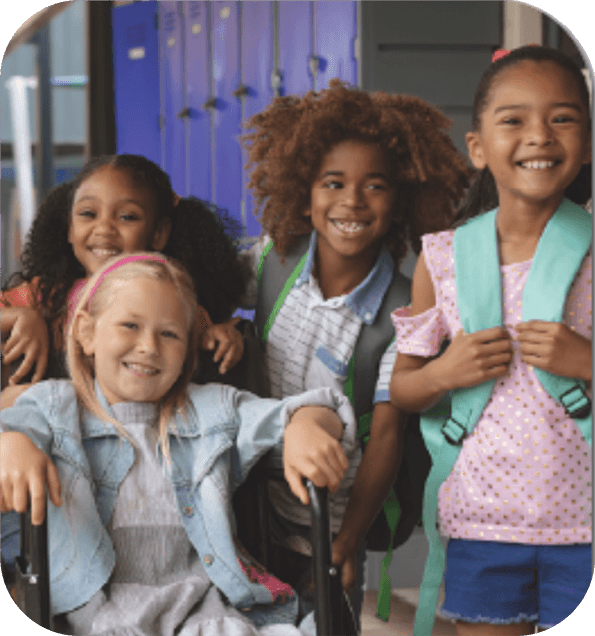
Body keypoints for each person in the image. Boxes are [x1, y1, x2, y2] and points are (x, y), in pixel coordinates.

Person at [0, 252, 356, 636]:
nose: (149, 347)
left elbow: (318, 406)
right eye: (130, 325)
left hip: (199, 606)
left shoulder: (211, 409)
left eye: (168, 333)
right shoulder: (54, 406)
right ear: (86, 332)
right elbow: (16, 428)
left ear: (187, 346)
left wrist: (305, 425)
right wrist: (12, 442)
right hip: (91, 609)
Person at [240, 79, 473, 622]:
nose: (351, 201)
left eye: (375, 187)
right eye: (333, 183)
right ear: (305, 192)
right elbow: (188, 292)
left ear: (402, 201)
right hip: (248, 502)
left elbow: (388, 437)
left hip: (327, 517)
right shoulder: (273, 261)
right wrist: (218, 325)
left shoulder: (403, 310)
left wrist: (344, 543)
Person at [391, 46, 592, 636]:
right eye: (514, 120)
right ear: (477, 148)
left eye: (563, 118)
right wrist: (444, 373)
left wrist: (585, 359)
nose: (540, 136)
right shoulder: (444, 259)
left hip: (586, 524)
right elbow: (404, 390)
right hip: (482, 524)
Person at [0, 154, 246, 394]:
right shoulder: (45, 294)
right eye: (88, 214)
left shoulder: (175, 300)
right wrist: (21, 317)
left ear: (158, 233)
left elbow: (206, 335)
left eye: (127, 217)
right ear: (69, 229)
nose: (104, 228)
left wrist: (220, 335)